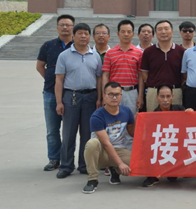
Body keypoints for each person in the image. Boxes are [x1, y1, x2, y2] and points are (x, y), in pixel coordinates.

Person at [54, 23, 103, 178]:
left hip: (91, 97)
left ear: (90, 36)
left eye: (86, 34)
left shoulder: (95, 55)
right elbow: (59, 80)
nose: (83, 36)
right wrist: (59, 102)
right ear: (73, 36)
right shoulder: (64, 55)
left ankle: (84, 164)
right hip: (71, 96)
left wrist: (99, 98)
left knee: (87, 133)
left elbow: (99, 78)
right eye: (80, 33)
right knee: (69, 133)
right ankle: (66, 166)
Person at [37, 14, 74, 172]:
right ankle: (54, 158)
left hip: (71, 94)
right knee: (52, 129)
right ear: (57, 27)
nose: (65, 27)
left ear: (73, 27)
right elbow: (40, 66)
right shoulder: (48, 45)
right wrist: (51, 80)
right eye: (62, 25)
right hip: (50, 93)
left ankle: (67, 159)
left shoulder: (78, 45)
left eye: (68, 25)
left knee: (69, 130)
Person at [82, 82, 135, 194]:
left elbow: (132, 133)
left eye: (117, 94)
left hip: (119, 149)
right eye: (111, 94)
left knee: (136, 166)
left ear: (121, 96)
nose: (114, 97)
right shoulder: (97, 116)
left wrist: (139, 122)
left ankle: (114, 170)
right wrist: (120, 163)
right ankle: (92, 179)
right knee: (92, 143)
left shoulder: (126, 111)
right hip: (101, 152)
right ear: (104, 96)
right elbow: (106, 143)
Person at [141, 85, 193, 188]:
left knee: (172, 178)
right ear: (157, 97)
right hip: (162, 145)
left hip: (177, 144)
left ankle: (175, 170)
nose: (165, 100)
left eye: (168, 96)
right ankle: (152, 176)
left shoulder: (179, 109)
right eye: (162, 96)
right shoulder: (153, 115)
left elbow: (189, 126)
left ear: (172, 96)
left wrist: (190, 113)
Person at [139, 20, 186, 112]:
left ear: (172, 31)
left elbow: (184, 74)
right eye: (160, 29)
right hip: (154, 91)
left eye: (166, 29)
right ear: (156, 33)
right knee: (153, 119)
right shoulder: (148, 52)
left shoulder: (181, 51)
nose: (163, 32)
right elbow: (144, 73)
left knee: (175, 119)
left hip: (175, 91)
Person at [102, 20, 143, 116]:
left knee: (131, 119)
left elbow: (141, 76)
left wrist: (140, 95)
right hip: (113, 92)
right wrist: (105, 94)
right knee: (113, 118)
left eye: (129, 32)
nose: (126, 34)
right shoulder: (110, 53)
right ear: (118, 34)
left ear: (133, 34)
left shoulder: (139, 53)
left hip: (132, 92)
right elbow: (105, 75)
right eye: (123, 31)